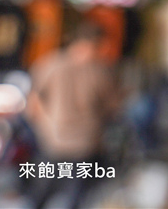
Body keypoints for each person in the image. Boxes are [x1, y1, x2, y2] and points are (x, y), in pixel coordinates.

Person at [25, 21, 120, 209]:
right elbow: (112, 108)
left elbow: (32, 103)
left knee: (39, 197)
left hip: (54, 141)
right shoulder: (101, 72)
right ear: (96, 43)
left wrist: (45, 126)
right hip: (83, 145)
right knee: (73, 199)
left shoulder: (49, 63)